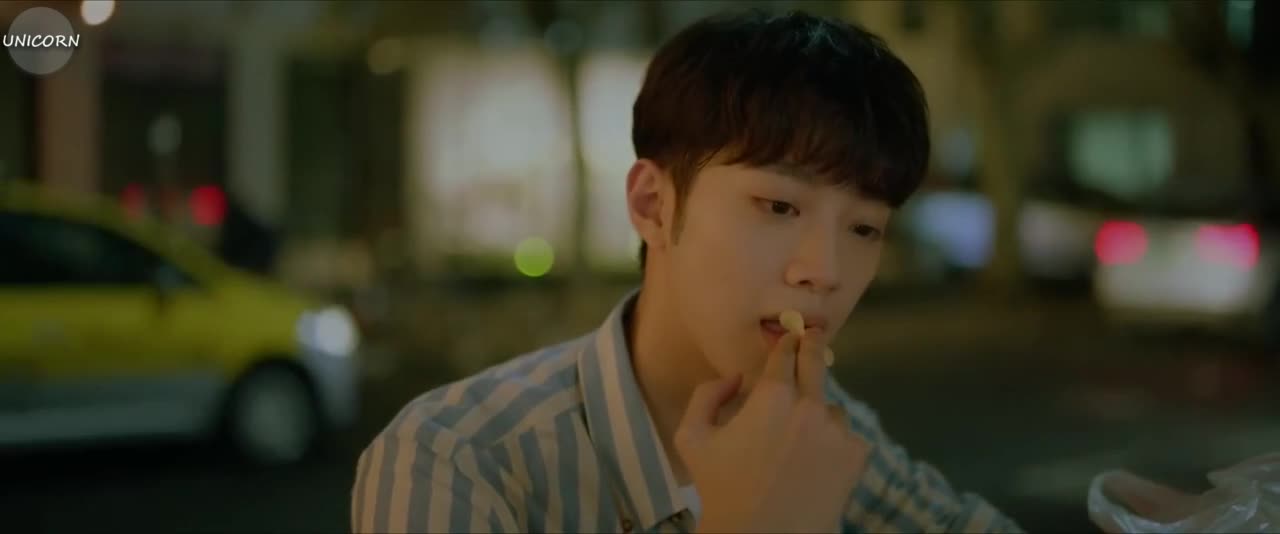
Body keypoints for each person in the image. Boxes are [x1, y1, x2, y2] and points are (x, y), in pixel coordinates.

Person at [355, 9, 1020, 533]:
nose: (824, 271)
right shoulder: (458, 461)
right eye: (779, 206)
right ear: (653, 205)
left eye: (865, 229)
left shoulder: (818, 429)